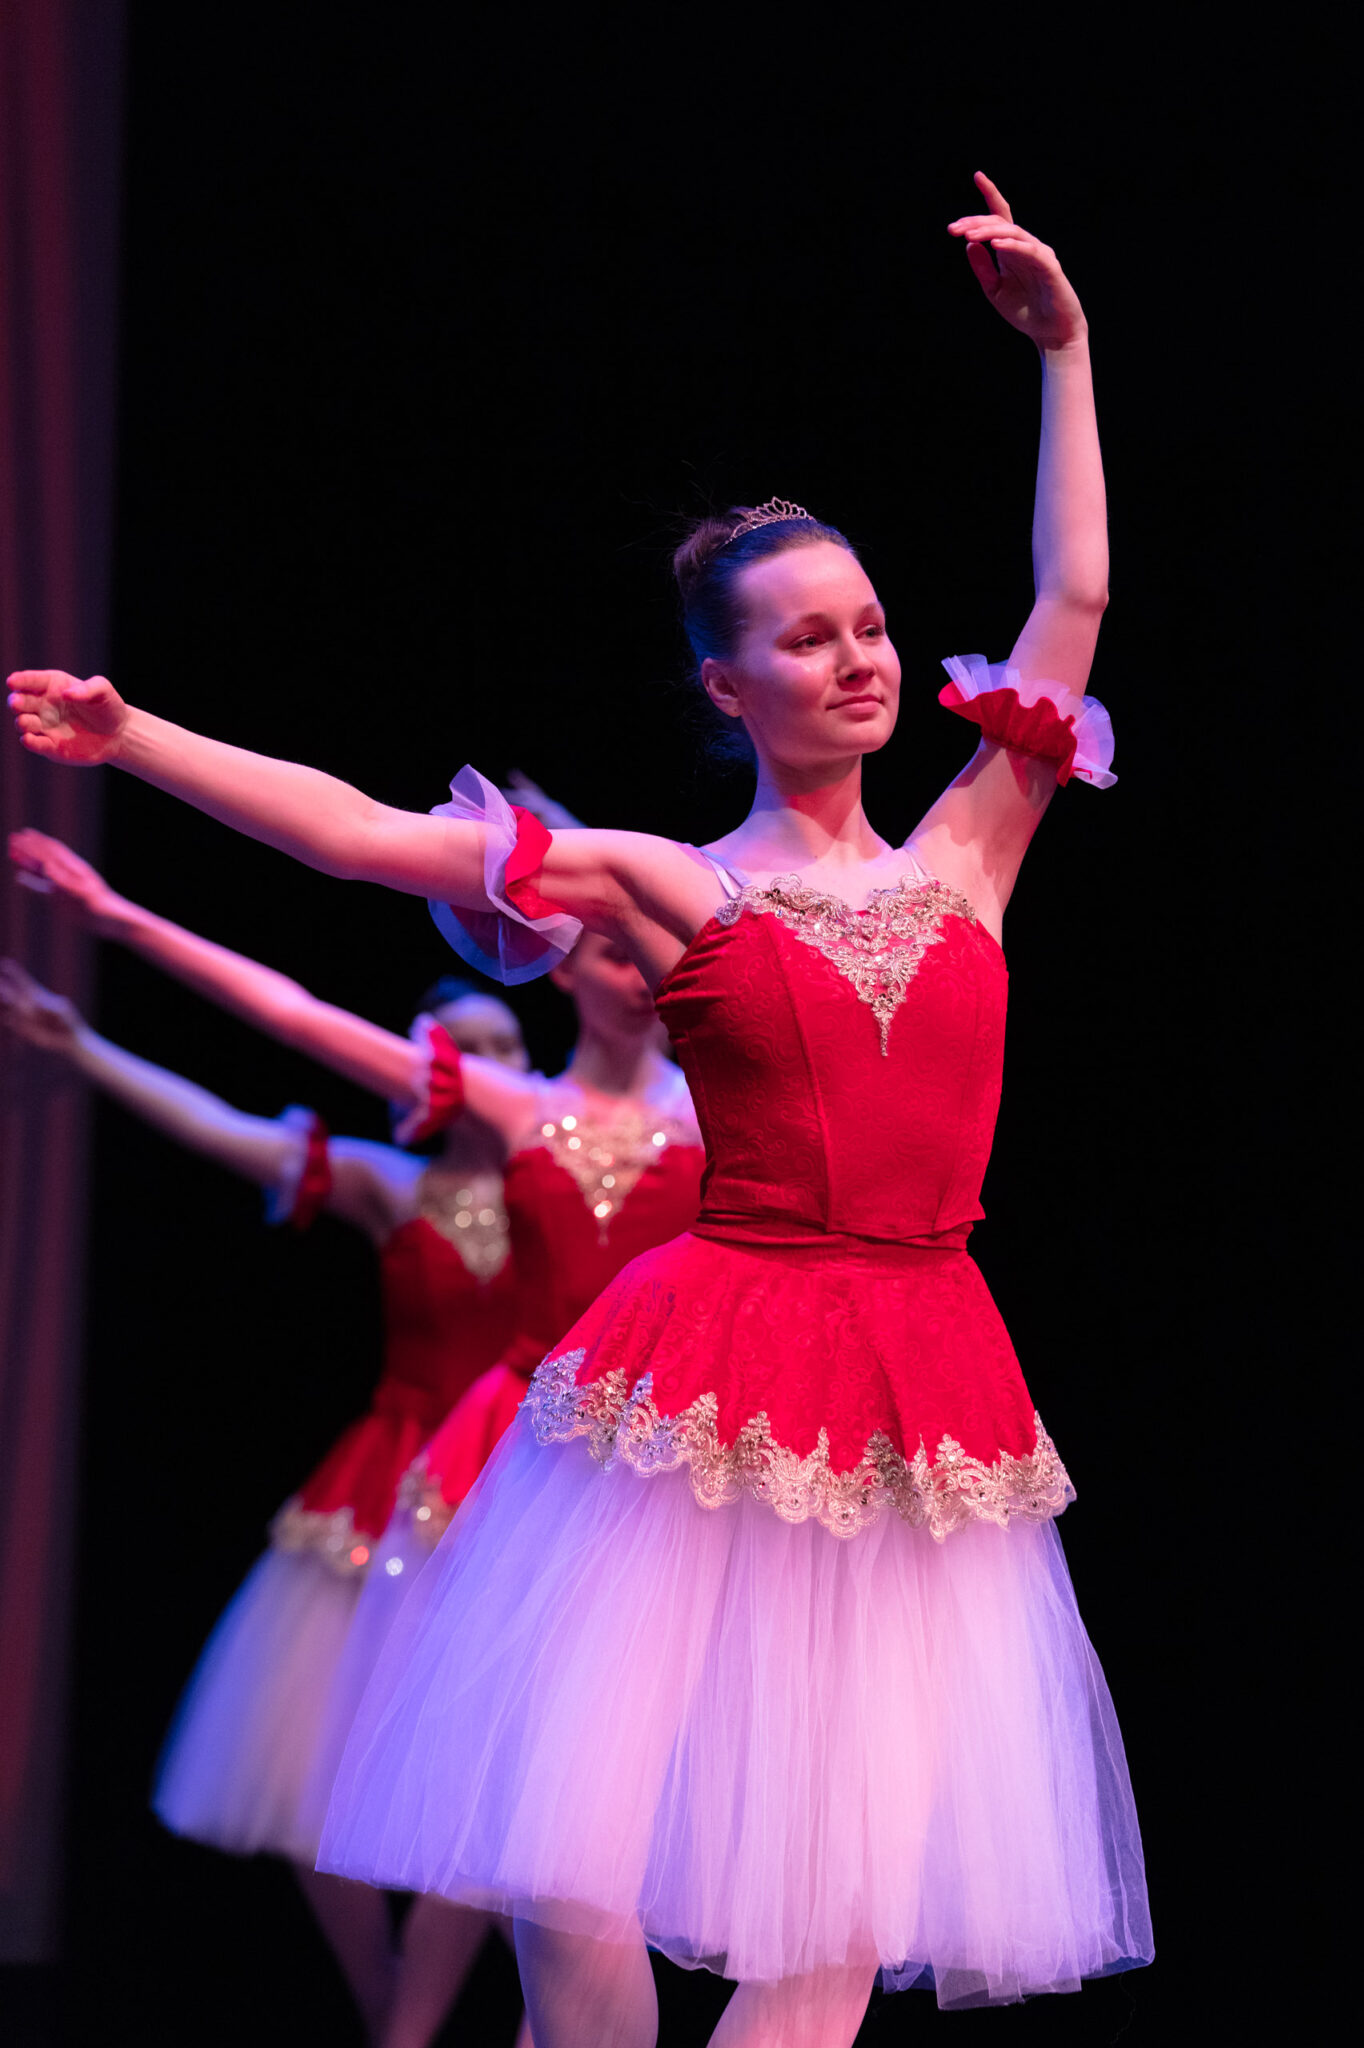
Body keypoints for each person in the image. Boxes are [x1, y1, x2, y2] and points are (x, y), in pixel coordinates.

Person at [10, 173, 1152, 2047]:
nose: (861, 659)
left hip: (921, 1383)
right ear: (725, 682)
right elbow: (379, 840)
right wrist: (137, 739)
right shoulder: (672, 884)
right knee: (567, 1868)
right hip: (711, 1357)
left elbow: (1078, 593)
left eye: (870, 626)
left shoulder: (974, 845)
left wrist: (1069, 351)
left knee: (841, 1904)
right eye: (807, 640)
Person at [9, 820, 705, 2048]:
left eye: (642, 949)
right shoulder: (497, 1129)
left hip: (654, 1468)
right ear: (561, 969)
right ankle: (415, 2021)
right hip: (504, 1472)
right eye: (603, 947)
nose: (636, 971)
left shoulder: (708, 1116)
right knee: (488, 1798)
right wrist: (119, 925)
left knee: (596, 1813)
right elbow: (288, 1024)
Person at [0, 943, 527, 2048]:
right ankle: (395, 2008)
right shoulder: (395, 1182)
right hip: (389, 1483)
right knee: (308, 1779)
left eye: (503, 1047)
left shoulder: (577, 1175)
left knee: (486, 1791)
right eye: (459, 1050)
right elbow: (221, 1126)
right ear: (420, 1072)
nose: (483, 1066)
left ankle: (407, 2025)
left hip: (518, 1494)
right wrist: (86, 1046)